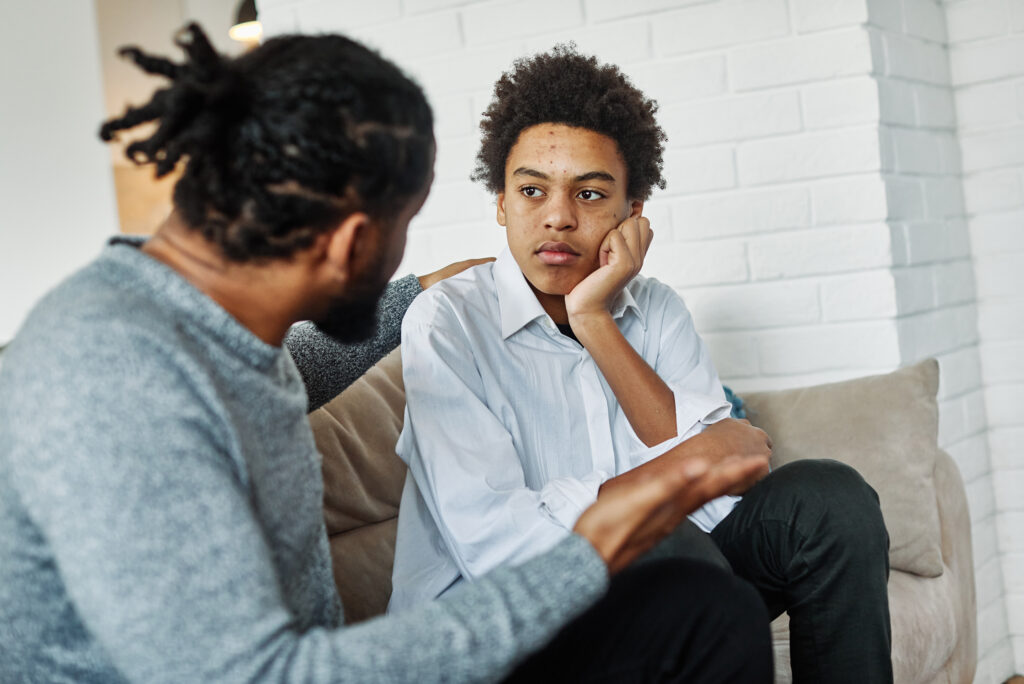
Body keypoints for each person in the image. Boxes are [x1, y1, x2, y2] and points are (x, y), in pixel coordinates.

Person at [0, 25, 772, 683]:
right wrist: (592, 548)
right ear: (351, 240)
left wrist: (411, 292)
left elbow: (320, 350)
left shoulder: (236, 344)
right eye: (406, 224)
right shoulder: (112, 376)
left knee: (702, 613)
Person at [388, 45, 894, 683]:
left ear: (633, 213)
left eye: (591, 193)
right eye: (531, 190)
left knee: (829, 500)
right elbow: (498, 544)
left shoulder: (652, 310)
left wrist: (595, 319)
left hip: (658, 587)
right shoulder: (448, 323)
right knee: (665, 545)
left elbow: (726, 484)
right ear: (501, 204)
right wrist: (678, 475)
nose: (558, 216)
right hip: (500, 627)